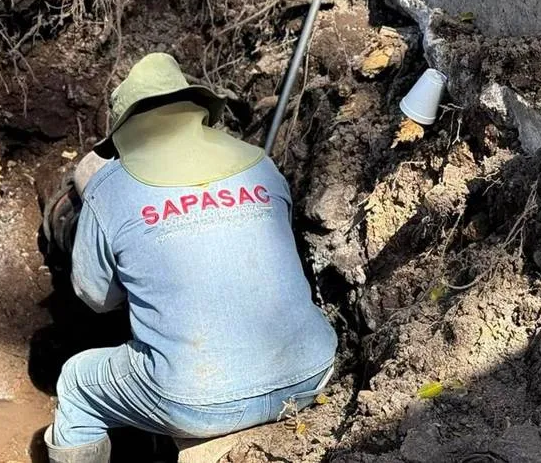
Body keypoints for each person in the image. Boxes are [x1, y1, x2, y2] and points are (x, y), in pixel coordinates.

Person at [36, 53, 338, 463]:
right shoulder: (261, 164)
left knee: (76, 384)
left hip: (197, 401)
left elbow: (97, 298)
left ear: (124, 131)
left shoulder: (110, 187)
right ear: (198, 110)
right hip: (312, 371)